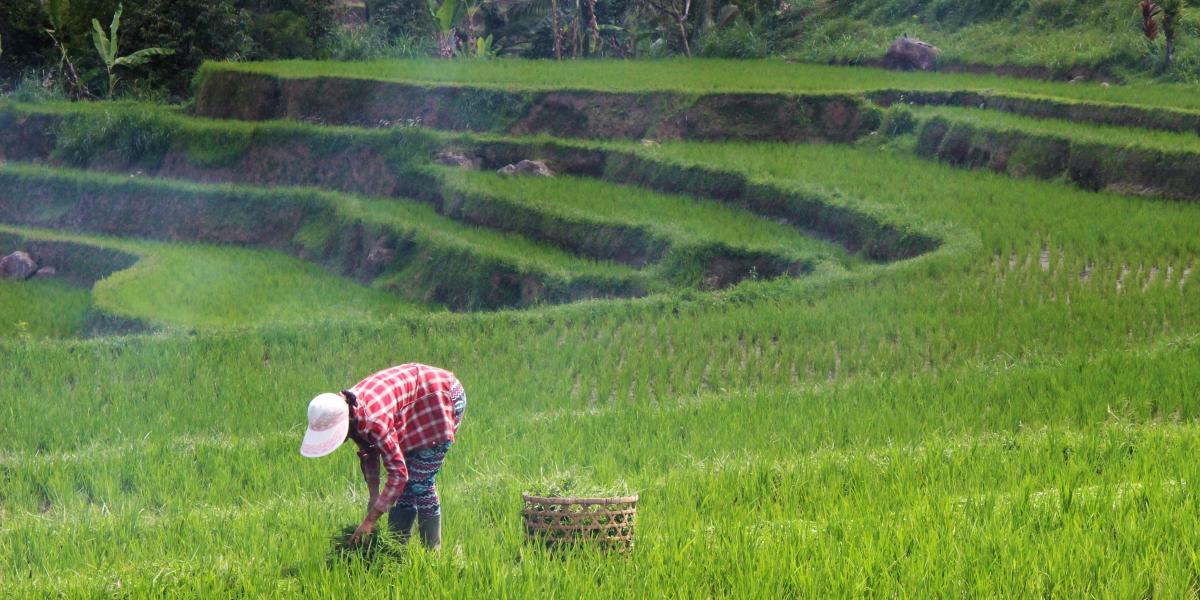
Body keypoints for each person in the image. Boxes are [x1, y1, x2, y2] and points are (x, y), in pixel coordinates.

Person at [300, 363, 467, 550]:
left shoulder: (373, 420)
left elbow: (398, 475)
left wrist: (370, 520)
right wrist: (374, 495)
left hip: (441, 398)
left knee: (420, 481)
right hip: (414, 405)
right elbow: (369, 451)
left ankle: (432, 554)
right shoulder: (351, 412)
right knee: (405, 487)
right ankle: (397, 549)